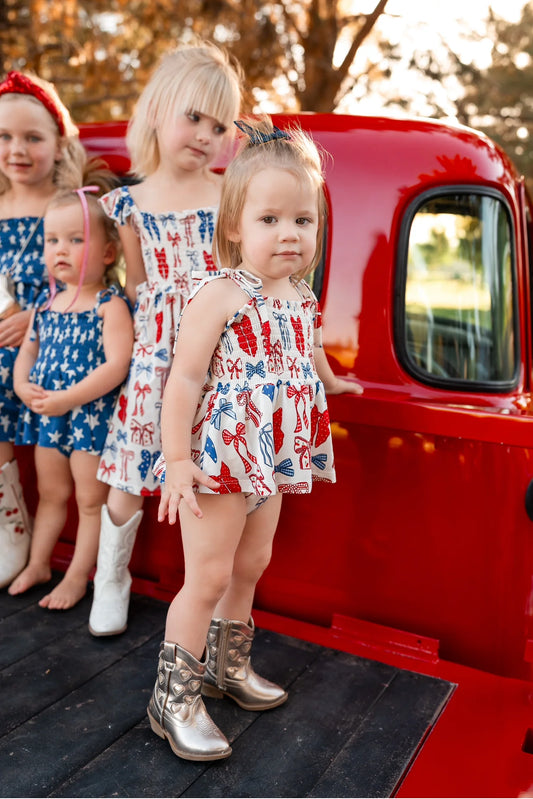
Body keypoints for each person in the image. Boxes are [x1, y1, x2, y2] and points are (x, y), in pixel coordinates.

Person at [148, 117, 364, 761]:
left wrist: (332, 382)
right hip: (222, 455)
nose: (290, 234)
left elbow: (308, 353)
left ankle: (225, 667)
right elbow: (183, 378)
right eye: (270, 220)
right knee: (207, 575)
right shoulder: (221, 293)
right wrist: (178, 461)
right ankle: (173, 696)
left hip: (272, 453)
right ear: (236, 226)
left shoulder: (298, 293)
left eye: (303, 220)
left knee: (251, 564)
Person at [88, 41, 242, 636]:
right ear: (158, 112)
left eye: (218, 124)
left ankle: (200, 591)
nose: (204, 134)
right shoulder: (130, 203)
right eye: (192, 117)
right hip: (155, 358)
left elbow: (239, 273)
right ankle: (112, 575)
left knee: (209, 473)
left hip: (217, 357)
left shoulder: (228, 195)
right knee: (129, 473)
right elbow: (139, 286)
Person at [8, 185, 134, 609]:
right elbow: (28, 350)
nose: (61, 249)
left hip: (89, 421)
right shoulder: (46, 306)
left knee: (89, 500)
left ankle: (80, 575)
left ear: (108, 253)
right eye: (52, 240)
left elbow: (117, 365)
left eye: (76, 239)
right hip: (51, 417)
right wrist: (23, 386)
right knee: (51, 494)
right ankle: (40, 562)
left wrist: (67, 399)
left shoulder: (108, 306)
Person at [0, 70, 89, 589]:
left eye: (33, 137)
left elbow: (92, 278)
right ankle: (10, 524)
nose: (17, 149)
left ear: (59, 145)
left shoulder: (68, 206)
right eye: (5, 137)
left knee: (54, 457)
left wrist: (36, 315)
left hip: (52, 346)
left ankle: (42, 552)